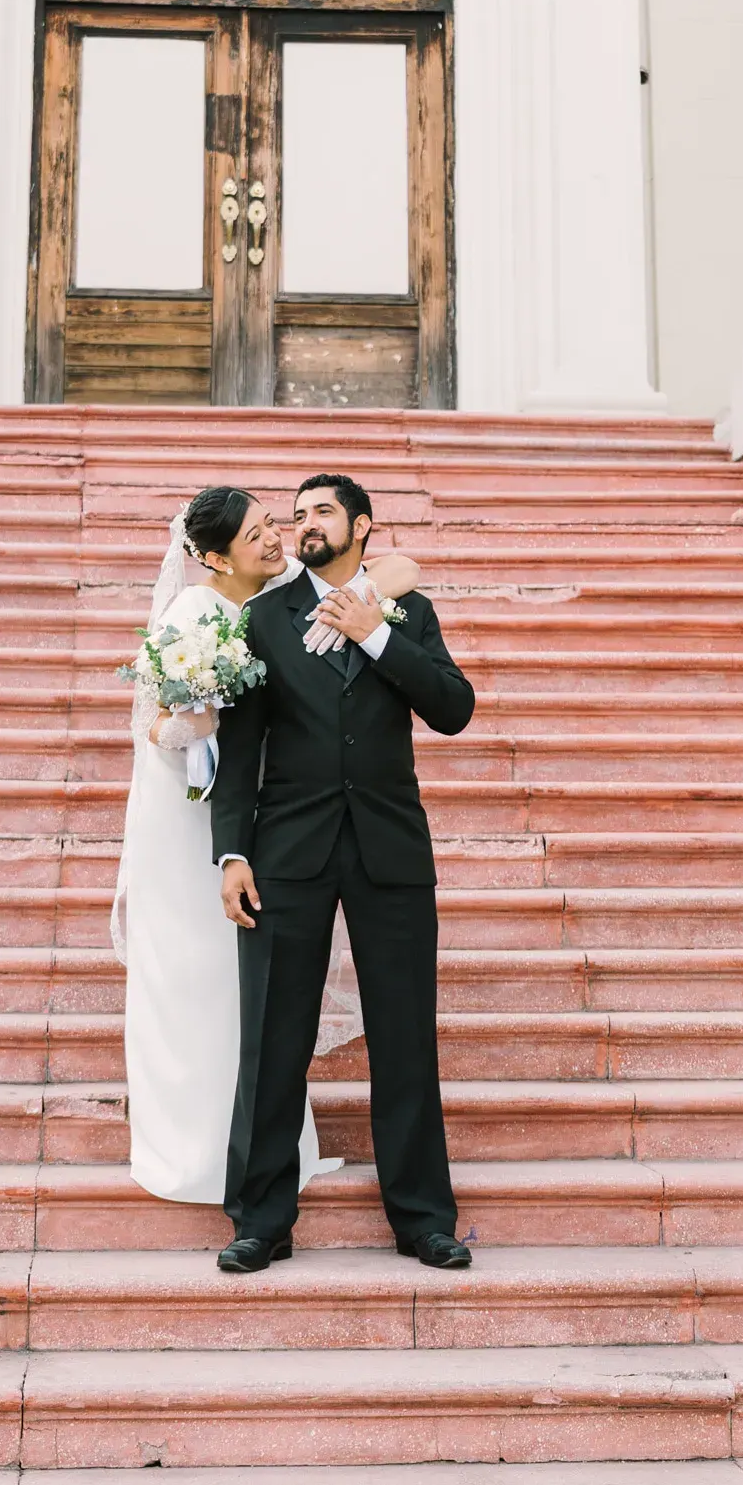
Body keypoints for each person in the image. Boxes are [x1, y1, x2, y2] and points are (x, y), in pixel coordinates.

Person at [113, 485, 419, 1207]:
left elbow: (400, 567)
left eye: (271, 524)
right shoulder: (194, 613)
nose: (275, 538)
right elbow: (158, 727)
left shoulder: (281, 595)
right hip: (193, 813)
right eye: (255, 533)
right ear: (213, 557)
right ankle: (195, 1148)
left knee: (244, 988)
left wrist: (360, 600)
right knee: (198, 975)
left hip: (260, 809)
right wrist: (201, 719)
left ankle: (260, 1141)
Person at [212, 472, 476, 1275]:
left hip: (389, 849)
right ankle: (260, 1219)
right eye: (295, 516)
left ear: (362, 526)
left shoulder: (407, 611)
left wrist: (376, 635)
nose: (303, 524)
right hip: (286, 850)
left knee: (404, 1038)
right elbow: (239, 747)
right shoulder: (264, 619)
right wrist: (230, 852)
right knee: (272, 1037)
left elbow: (453, 709)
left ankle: (424, 1219)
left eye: (321, 511)